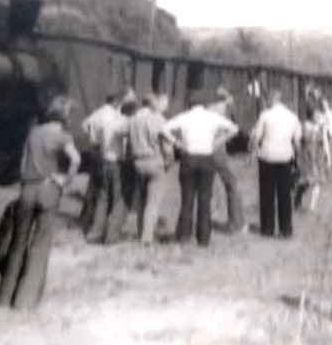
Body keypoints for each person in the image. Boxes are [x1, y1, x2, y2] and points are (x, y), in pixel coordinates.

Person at [0, 96, 81, 310]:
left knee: (18, 243)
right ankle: (25, 301)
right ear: (64, 114)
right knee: (40, 245)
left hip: (27, 189)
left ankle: (5, 297)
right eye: (70, 114)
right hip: (48, 189)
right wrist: (65, 179)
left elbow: (22, 163)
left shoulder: (33, 132)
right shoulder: (63, 136)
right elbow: (76, 159)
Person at [165, 90, 239, 247]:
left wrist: (177, 143)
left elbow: (165, 129)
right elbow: (234, 129)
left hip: (189, 157)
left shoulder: (185, 116)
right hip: (207, 157)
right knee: (205, 198)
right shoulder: (212, 117)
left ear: (190, 103)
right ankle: (204, 238)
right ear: (205, 104)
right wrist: (218, 141)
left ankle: (184, 235)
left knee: (187, 198)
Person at [250, 89, 302, 237]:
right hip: (285, 156)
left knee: (267, 193)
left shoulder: (265, 115)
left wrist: (252, 152)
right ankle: (286, 229)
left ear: (270, 100)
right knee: (284, 194)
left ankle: (267, 228)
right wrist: (297, 159)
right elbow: (297, 140)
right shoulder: (292, 116)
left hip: (267, 156)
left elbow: (257, 137)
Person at [82, 91, 131, 244]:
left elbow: (85, 125)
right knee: (118, 199)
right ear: (117, 102)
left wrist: (94, 140)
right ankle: (112, 235)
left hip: (101, 159)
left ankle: (95, 232)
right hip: (116, 160)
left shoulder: (97, 115)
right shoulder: (118, 118)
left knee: (102, 198)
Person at [129, 94, 175, 245]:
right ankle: (147, 237)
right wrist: (169, 161)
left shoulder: (133, 119)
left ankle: (140, 230)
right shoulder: (157, 119)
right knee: (153, 202)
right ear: (152, 104)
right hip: (155, 161)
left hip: (137, 162)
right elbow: (166, 143)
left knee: (141, 199)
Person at [208, 86, 246, 234]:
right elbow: (235, 127)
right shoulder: (223, 110)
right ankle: (236, 223)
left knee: (206, 185)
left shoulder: (208, 109)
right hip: (217, 149)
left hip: (203, 149)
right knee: (231, 185)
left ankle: (205, 219)